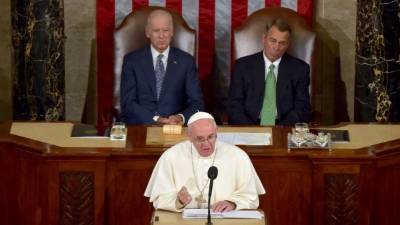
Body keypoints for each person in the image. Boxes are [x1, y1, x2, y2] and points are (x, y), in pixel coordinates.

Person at [144, 112, 265, 212]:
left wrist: (232, 203)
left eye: (211, 137)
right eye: (200, 139)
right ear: (190, 137)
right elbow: (159, 198)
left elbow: (250, 196)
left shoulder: (238, 156)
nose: (206, 144)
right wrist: (178, 201)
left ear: (217, 132)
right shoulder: (171, 156)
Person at [120, 9, 204, 125]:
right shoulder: (132, 61)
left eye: (165, 30)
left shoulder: (186, 61)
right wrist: (156, 119)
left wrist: (180, 117)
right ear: (147, 32)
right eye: (156, 31)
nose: (161, 36)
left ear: (172, 32)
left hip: (175, 128)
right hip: (141, 126)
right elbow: (128, 103)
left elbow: (197, 103)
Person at [228, 18, 311, 126]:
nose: (276, 47)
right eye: (273, 41)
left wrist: (280, 129)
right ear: (264, 39)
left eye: (282, 43)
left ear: (288, 44)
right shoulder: (243, 66)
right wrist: (252, 130)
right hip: (249, 125)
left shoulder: (300, 69)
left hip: (284, 126)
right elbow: (234, 105)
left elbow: (302, 107)